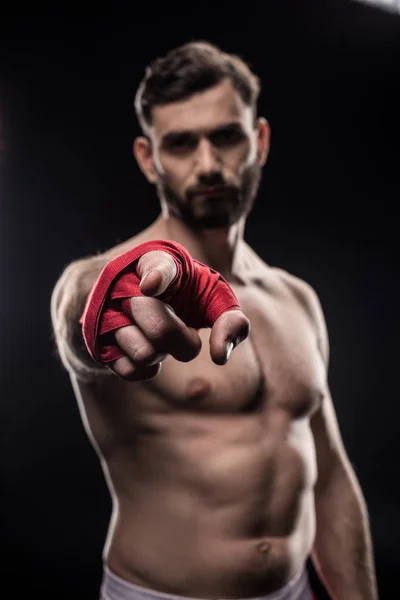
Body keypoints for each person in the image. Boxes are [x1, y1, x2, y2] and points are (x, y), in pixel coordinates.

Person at [50, 41, 378, 600]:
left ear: (260, 141)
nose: (206, 164)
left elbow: (328, 477)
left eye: (225, 136)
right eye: (179, 144)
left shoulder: (296, 298)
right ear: (148, 158)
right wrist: (100, 299)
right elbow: (79, 318)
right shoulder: (123, 281)